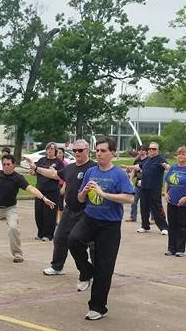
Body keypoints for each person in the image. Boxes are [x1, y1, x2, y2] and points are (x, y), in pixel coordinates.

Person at [69, 137, 135, 320]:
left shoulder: (119, 174)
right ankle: (86, 272)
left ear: (112, 153)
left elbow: (129, 198)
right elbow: (81, 199)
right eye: (97, 150)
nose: (99, 154)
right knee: (73, 240)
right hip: (90, 218)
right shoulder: (90, 172)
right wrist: (83, 192)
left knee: (104, 267)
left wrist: (103, 193)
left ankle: (98, 307)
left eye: (103, 151)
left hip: (110, 225)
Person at [35, 139, 95, 276]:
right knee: (60, 238)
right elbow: (54, 174)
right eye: (74, 151)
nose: (77, 153)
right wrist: (36, 168)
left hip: (87, 212)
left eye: (80, 150)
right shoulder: (70, 168)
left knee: (89, 243)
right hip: (70, 211)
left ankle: (94, 271)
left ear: (87, 151)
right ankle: (57, 266)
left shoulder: (93, 168)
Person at [164, 146, 186, 256]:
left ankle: (180, 249)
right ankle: (171, 248)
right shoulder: (173, 168)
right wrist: (165, 193)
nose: (180, 156)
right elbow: (167, 182)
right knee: (172, 225)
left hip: (184, 203)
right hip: (172, 201)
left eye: (183, 154)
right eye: (179, 153)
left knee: (181, 226)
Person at [29, 143, 65, 240]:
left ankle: (48, 234)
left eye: (52, 148)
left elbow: (59, 176)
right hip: (40, 191)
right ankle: (40, 233)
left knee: (49, 213)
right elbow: (36, 172)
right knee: (39, 212)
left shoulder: (58, 162)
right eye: (48, 148)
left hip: (52, 191)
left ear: (55, 151)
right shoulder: (41, 160)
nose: (50, 150)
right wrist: (32, 172)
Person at [132, 142, 169, 235]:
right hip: (144, 187)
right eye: (150, 149)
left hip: (154, 188)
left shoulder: (160, 159)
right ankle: (145, 226)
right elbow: (139, 167)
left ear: (157, 150)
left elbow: (166, 165)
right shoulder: (147, 160)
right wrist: (127, 167)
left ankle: (164, 227)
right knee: (144, 207)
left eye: (154, 149)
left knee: (157, 207)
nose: (151, 150)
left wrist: (166, 166)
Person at [126, 149, 146, 221]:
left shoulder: (148, 160)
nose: (141, 151)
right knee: (134, 201)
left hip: (146, 185)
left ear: (146, 151)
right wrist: (130, 180)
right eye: (140, 150)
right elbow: (133, 170)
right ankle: (133, 217)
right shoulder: (137, 160)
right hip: (138, 184)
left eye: (143, 150)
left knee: (149, 202)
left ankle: (153, 218)